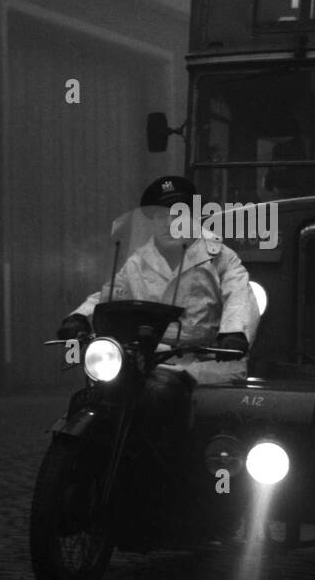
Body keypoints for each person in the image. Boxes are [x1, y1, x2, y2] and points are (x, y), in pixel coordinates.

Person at [57, 175, 259, 423]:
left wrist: (234, 335)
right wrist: (79, 316)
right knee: (94, 395)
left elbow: (239, 295)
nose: (168, 224)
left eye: (176, 215)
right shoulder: (138, 262)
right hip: (150, 358)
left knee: (159, 394)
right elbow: (110, 295)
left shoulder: (220, 258)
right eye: (160, 217)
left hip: (206, 361)